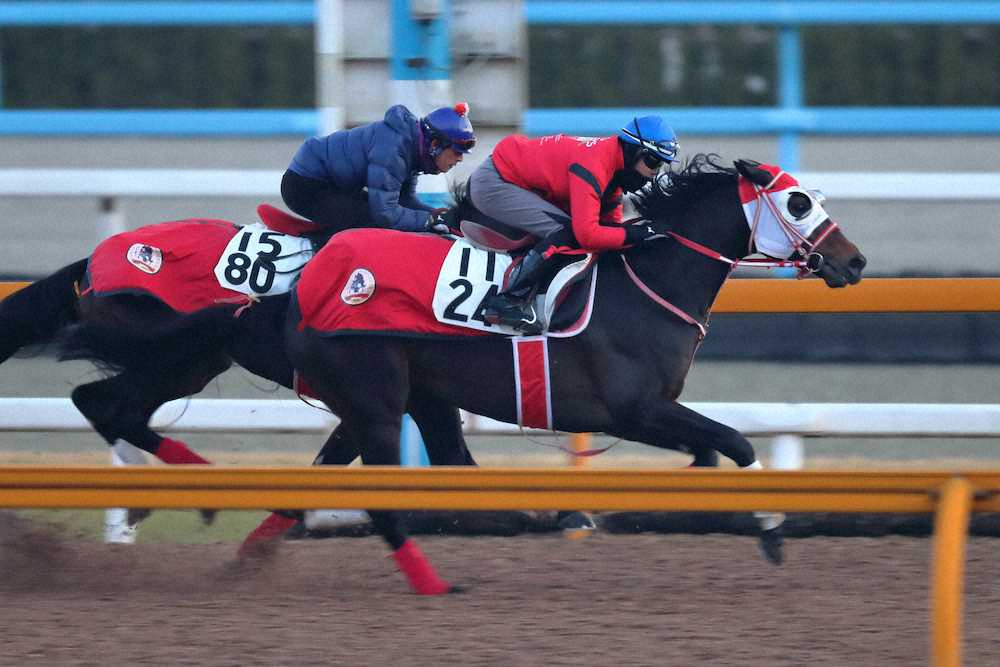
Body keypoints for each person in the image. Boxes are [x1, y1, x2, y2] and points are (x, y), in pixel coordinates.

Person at [474, 115, 680, 334]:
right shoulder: (595, 163)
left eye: (661, 165)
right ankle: (508, 300)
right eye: (653, 162)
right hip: (495, 182)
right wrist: (637, 234)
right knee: (568, 231)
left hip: (515, 179)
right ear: (634, 151)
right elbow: (587, 235)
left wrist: (637, 235)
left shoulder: (613, 173)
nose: (654, 173)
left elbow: (610, 230)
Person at [280, 103, 476, 234]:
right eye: (457, 152)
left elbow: (403, 201)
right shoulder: (394, 149)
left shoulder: (413, 148)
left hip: (330, 185)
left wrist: (444, 218)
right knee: (371, 224)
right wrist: (431, 220)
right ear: (435, 144)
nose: (459, 159)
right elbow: (386, 215)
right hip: (305, 185)